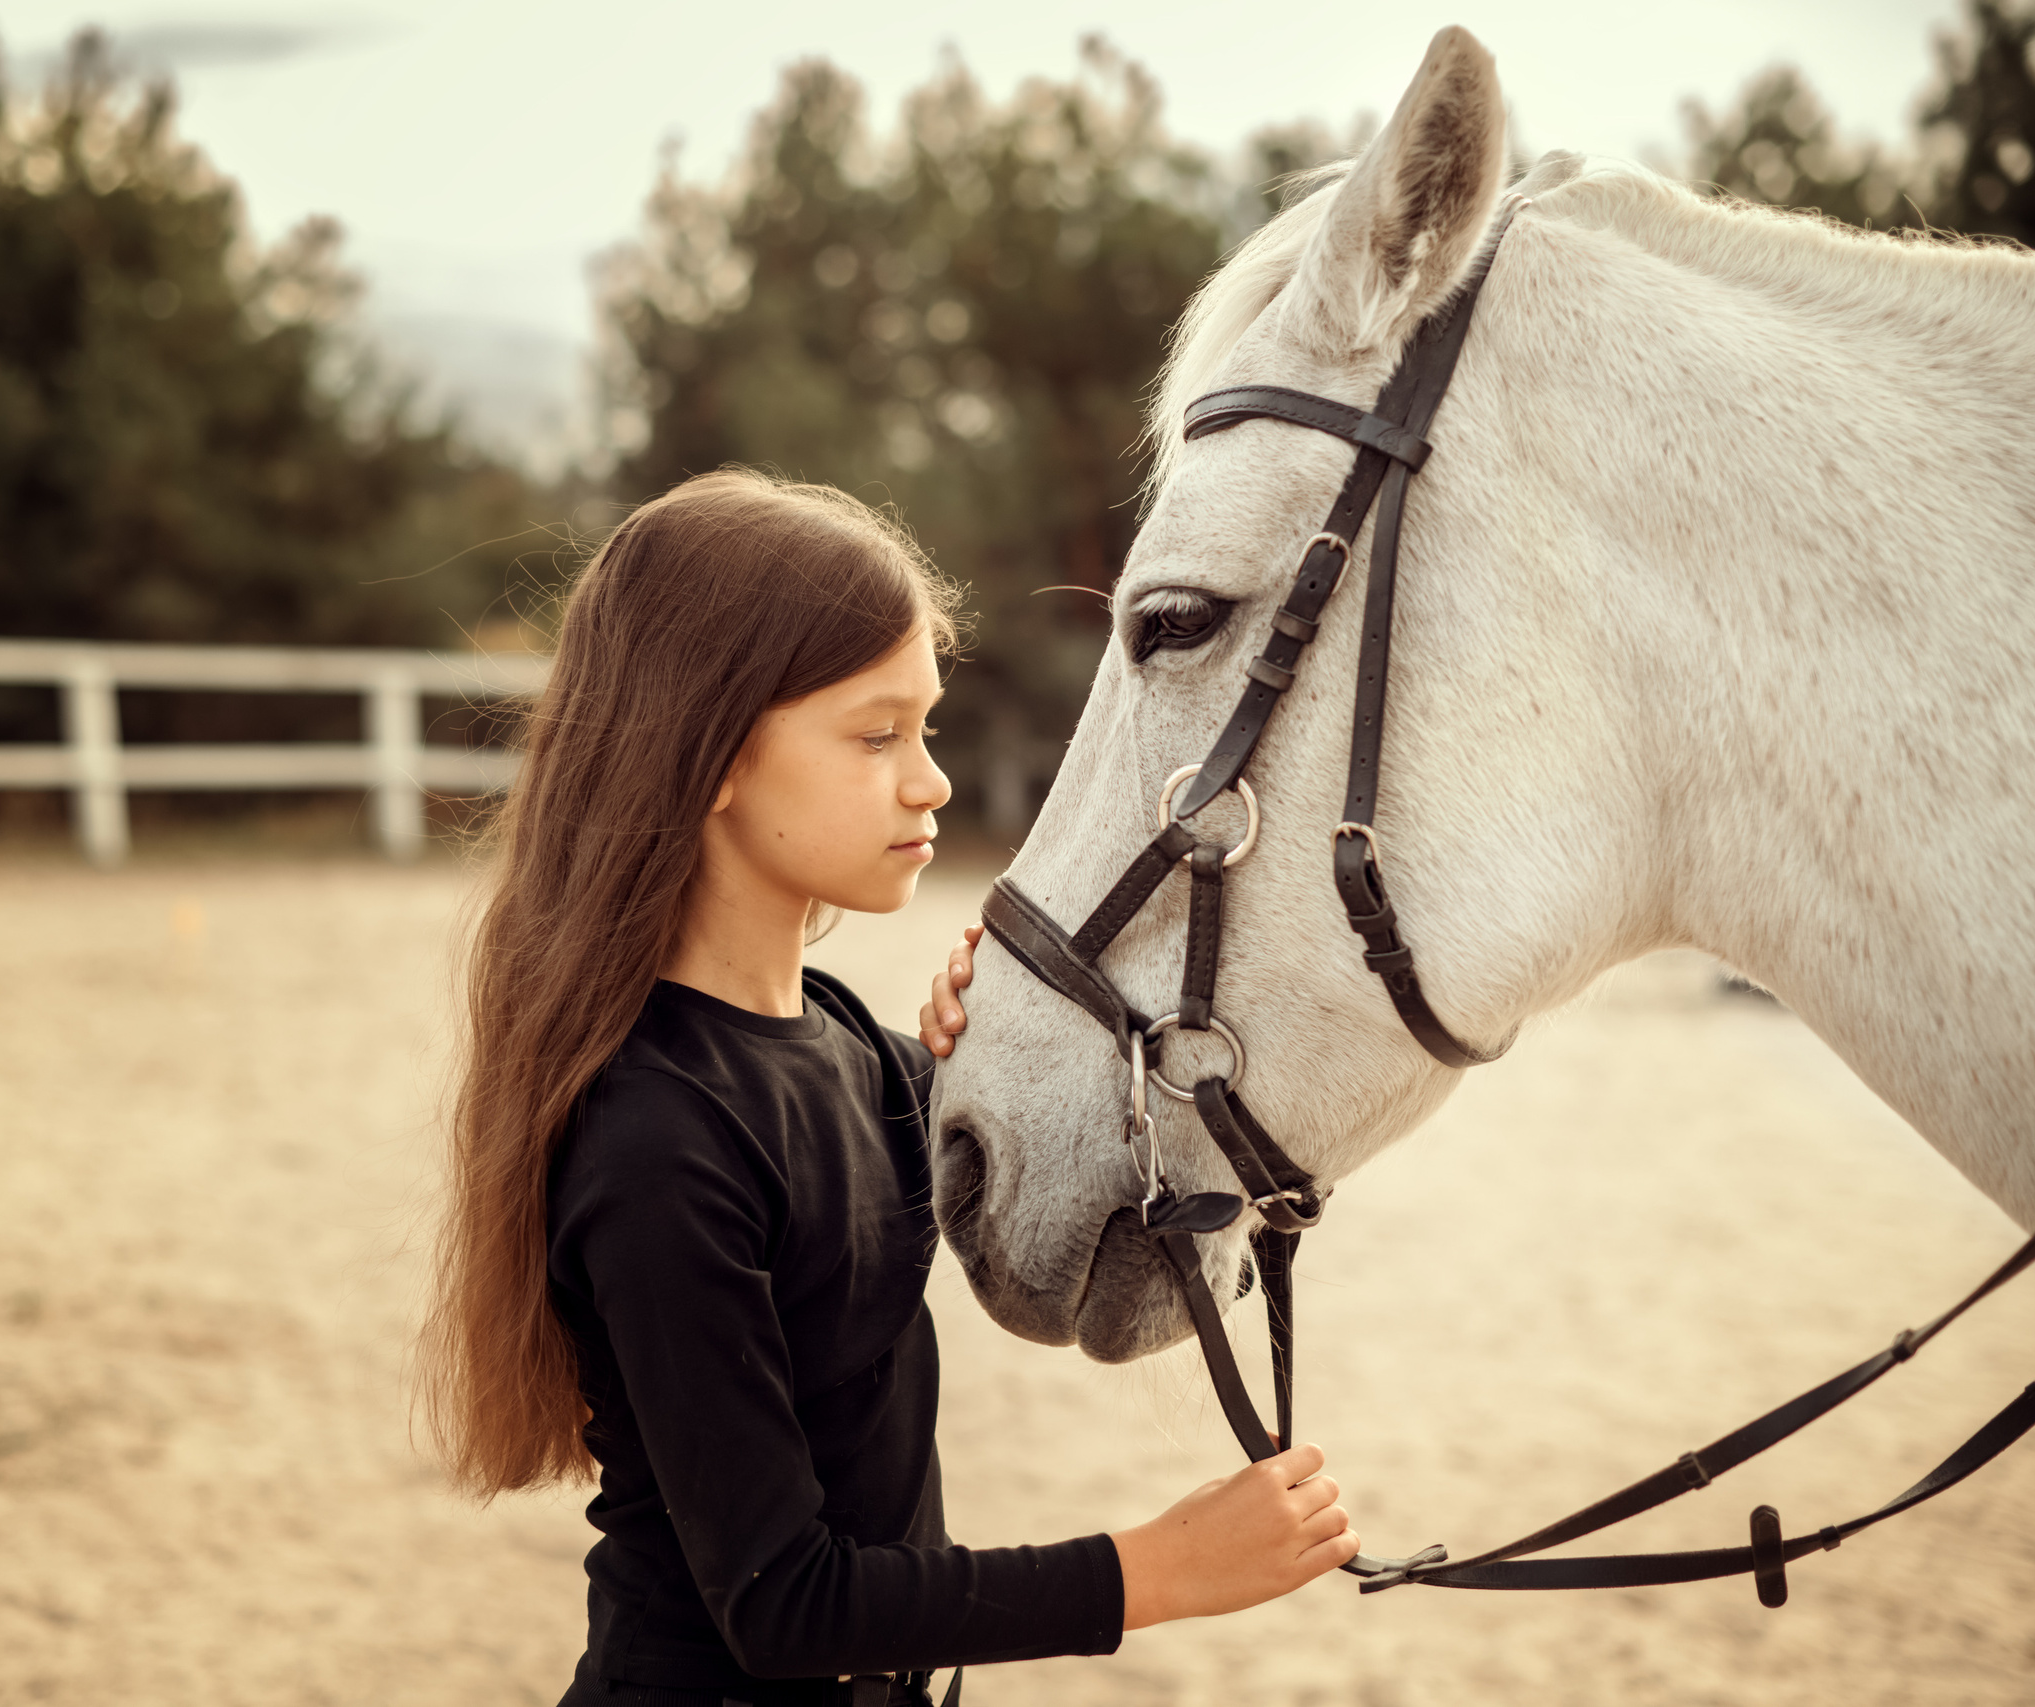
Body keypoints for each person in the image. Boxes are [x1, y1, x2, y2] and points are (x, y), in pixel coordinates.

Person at [417, 469, 1358, 1707]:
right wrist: (1150, 1572)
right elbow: (783, 1602)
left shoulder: (842, 1040)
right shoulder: (656, 1140)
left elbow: (973, 1170)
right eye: (876, 736)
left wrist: (994, 1056)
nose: (932, 782)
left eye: (925, 728)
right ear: (708, 757)